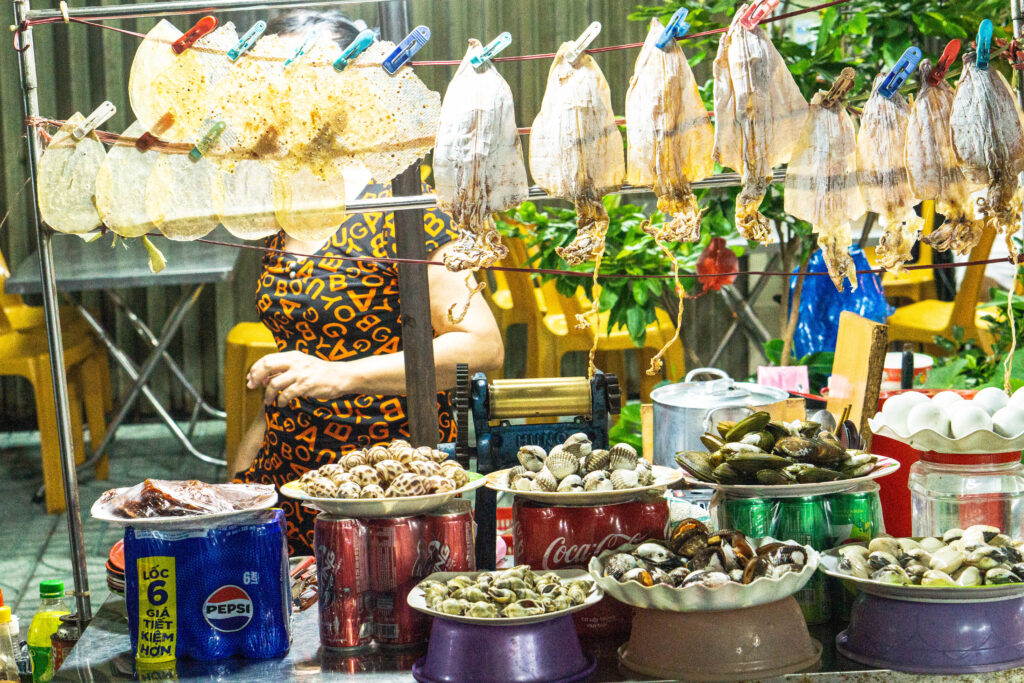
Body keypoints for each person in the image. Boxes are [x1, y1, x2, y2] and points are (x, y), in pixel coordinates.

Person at [235, 10, 504, 556]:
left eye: (292, 76)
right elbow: (302, 355)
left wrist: (344, 377)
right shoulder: (288, 205)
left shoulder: (405, 207)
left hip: (383, 489)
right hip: (286, 482)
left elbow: (481, 346)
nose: (273, 95)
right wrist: (242, 473)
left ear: (349, 87)